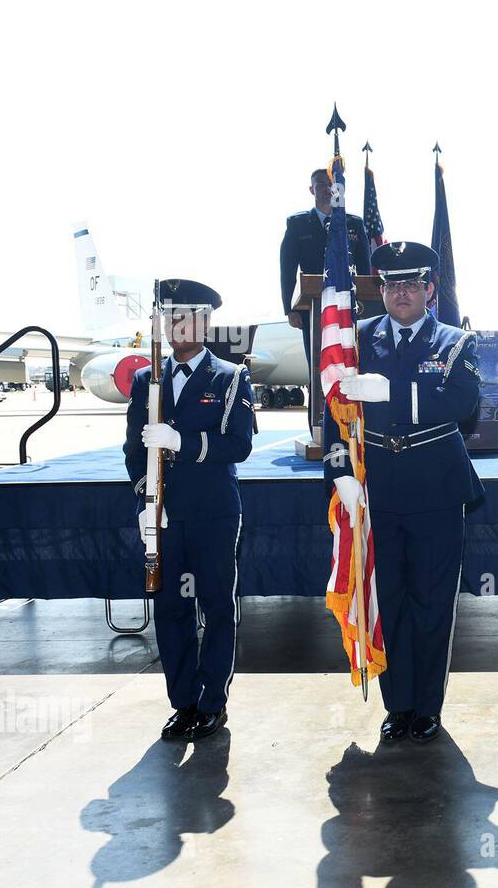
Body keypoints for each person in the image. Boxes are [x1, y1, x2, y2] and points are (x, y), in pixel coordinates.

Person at [324, 241, 483, 744]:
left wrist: (395, 394)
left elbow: (463, 403)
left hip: (436, 487)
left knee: (432, 602)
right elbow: (332, 406)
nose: (402, 293)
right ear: (382, 291)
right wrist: (339, 472)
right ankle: (398, 706)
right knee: (387, 599)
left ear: (430, 289)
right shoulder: (356, 339)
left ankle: (428, 706)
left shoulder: (456, 341)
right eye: (392, 284)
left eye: (412, 283)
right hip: (378, 489)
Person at [123, 279, 254, 741]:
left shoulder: (231, 376)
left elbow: (238, 445)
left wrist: (184, 442)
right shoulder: (146, 380)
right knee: (170, 608)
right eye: (172, 316)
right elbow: (133, 450)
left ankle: (212, 703)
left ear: (206, 322)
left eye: (190, 316)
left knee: (216, 606)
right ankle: (183, 702)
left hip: (214, 511)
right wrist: (145, 499)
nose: (180, 325)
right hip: (165, 515)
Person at [280, 167, 372, 364]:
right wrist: (289, 309)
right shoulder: (298, 224)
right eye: (320, 183)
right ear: (311, 190)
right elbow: (287, 268)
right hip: (312, 307)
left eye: (331, 183)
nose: (327, 188)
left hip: (351, 304)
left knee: (352, 361)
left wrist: (366, 301)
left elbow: (365, 266)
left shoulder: (354, 224)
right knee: (317, 364)